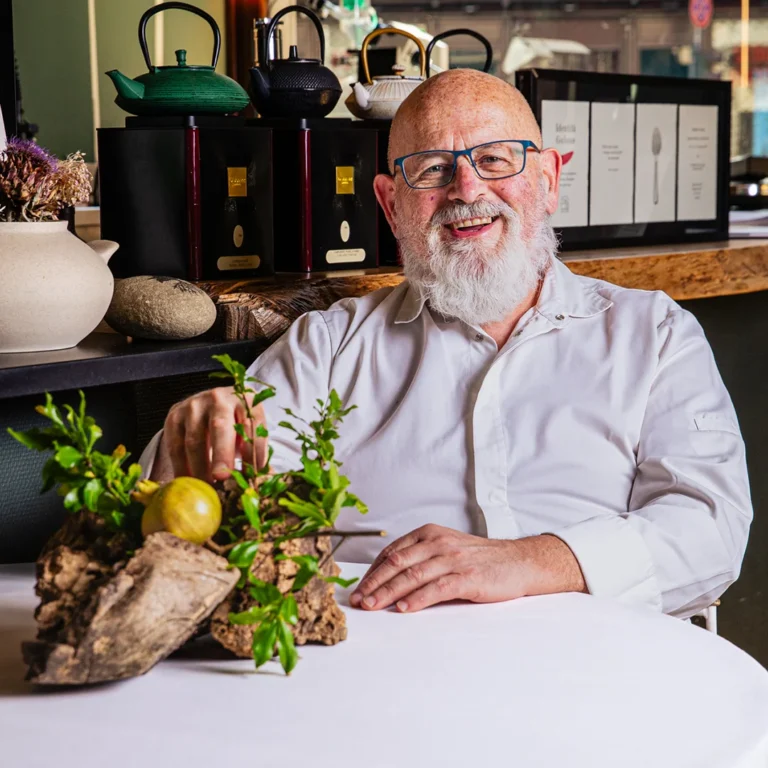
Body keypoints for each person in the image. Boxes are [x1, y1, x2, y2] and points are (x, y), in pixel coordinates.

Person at [139, 69, 751, 619]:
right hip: (378, 679)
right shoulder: (328, 348)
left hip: (599, 676)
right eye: (432, 168)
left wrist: (529, 561)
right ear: (390, 203)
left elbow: (712, 528)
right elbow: (209, 489)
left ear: (548, 180)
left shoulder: (654, 334)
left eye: (494, 159)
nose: (465, 188)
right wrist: (194, 436)